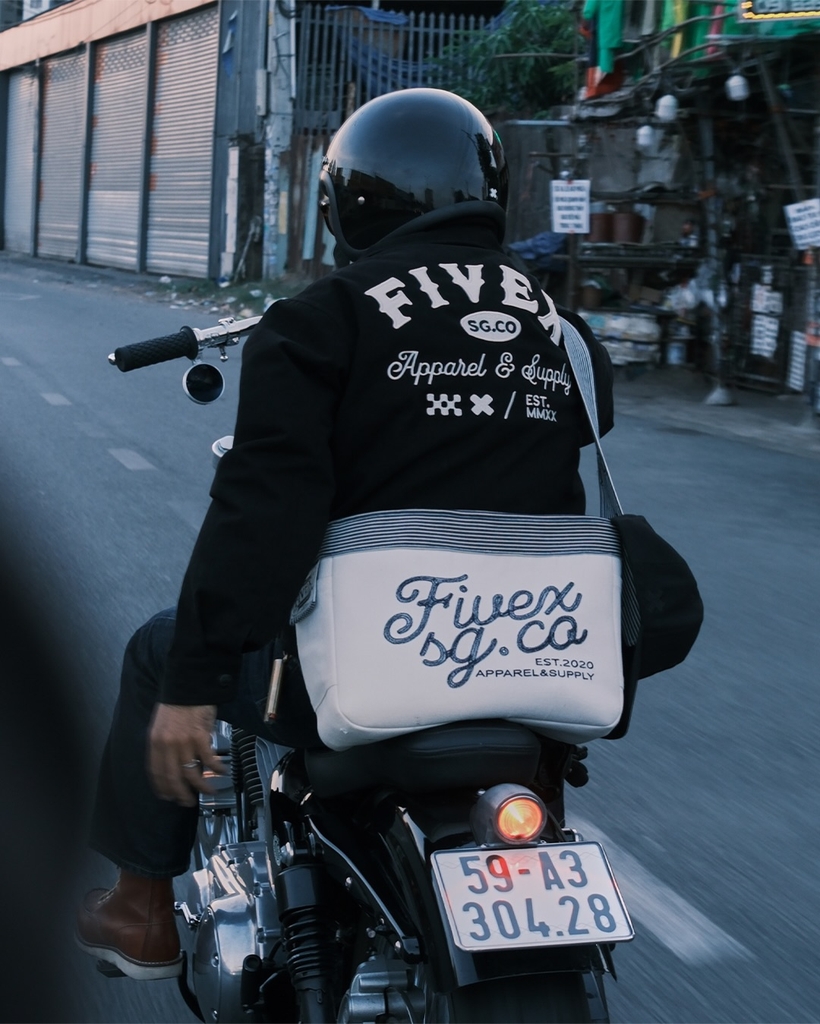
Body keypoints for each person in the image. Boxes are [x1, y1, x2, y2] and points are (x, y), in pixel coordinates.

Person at [77, 88, 614, 981]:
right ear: (488, 188)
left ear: (347, 204)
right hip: (545, 665)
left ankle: (140, 913)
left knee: (154, 651)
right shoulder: (567, 335)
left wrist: (193, 683)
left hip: (375, 666)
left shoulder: (321, 322)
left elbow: (263, 512)